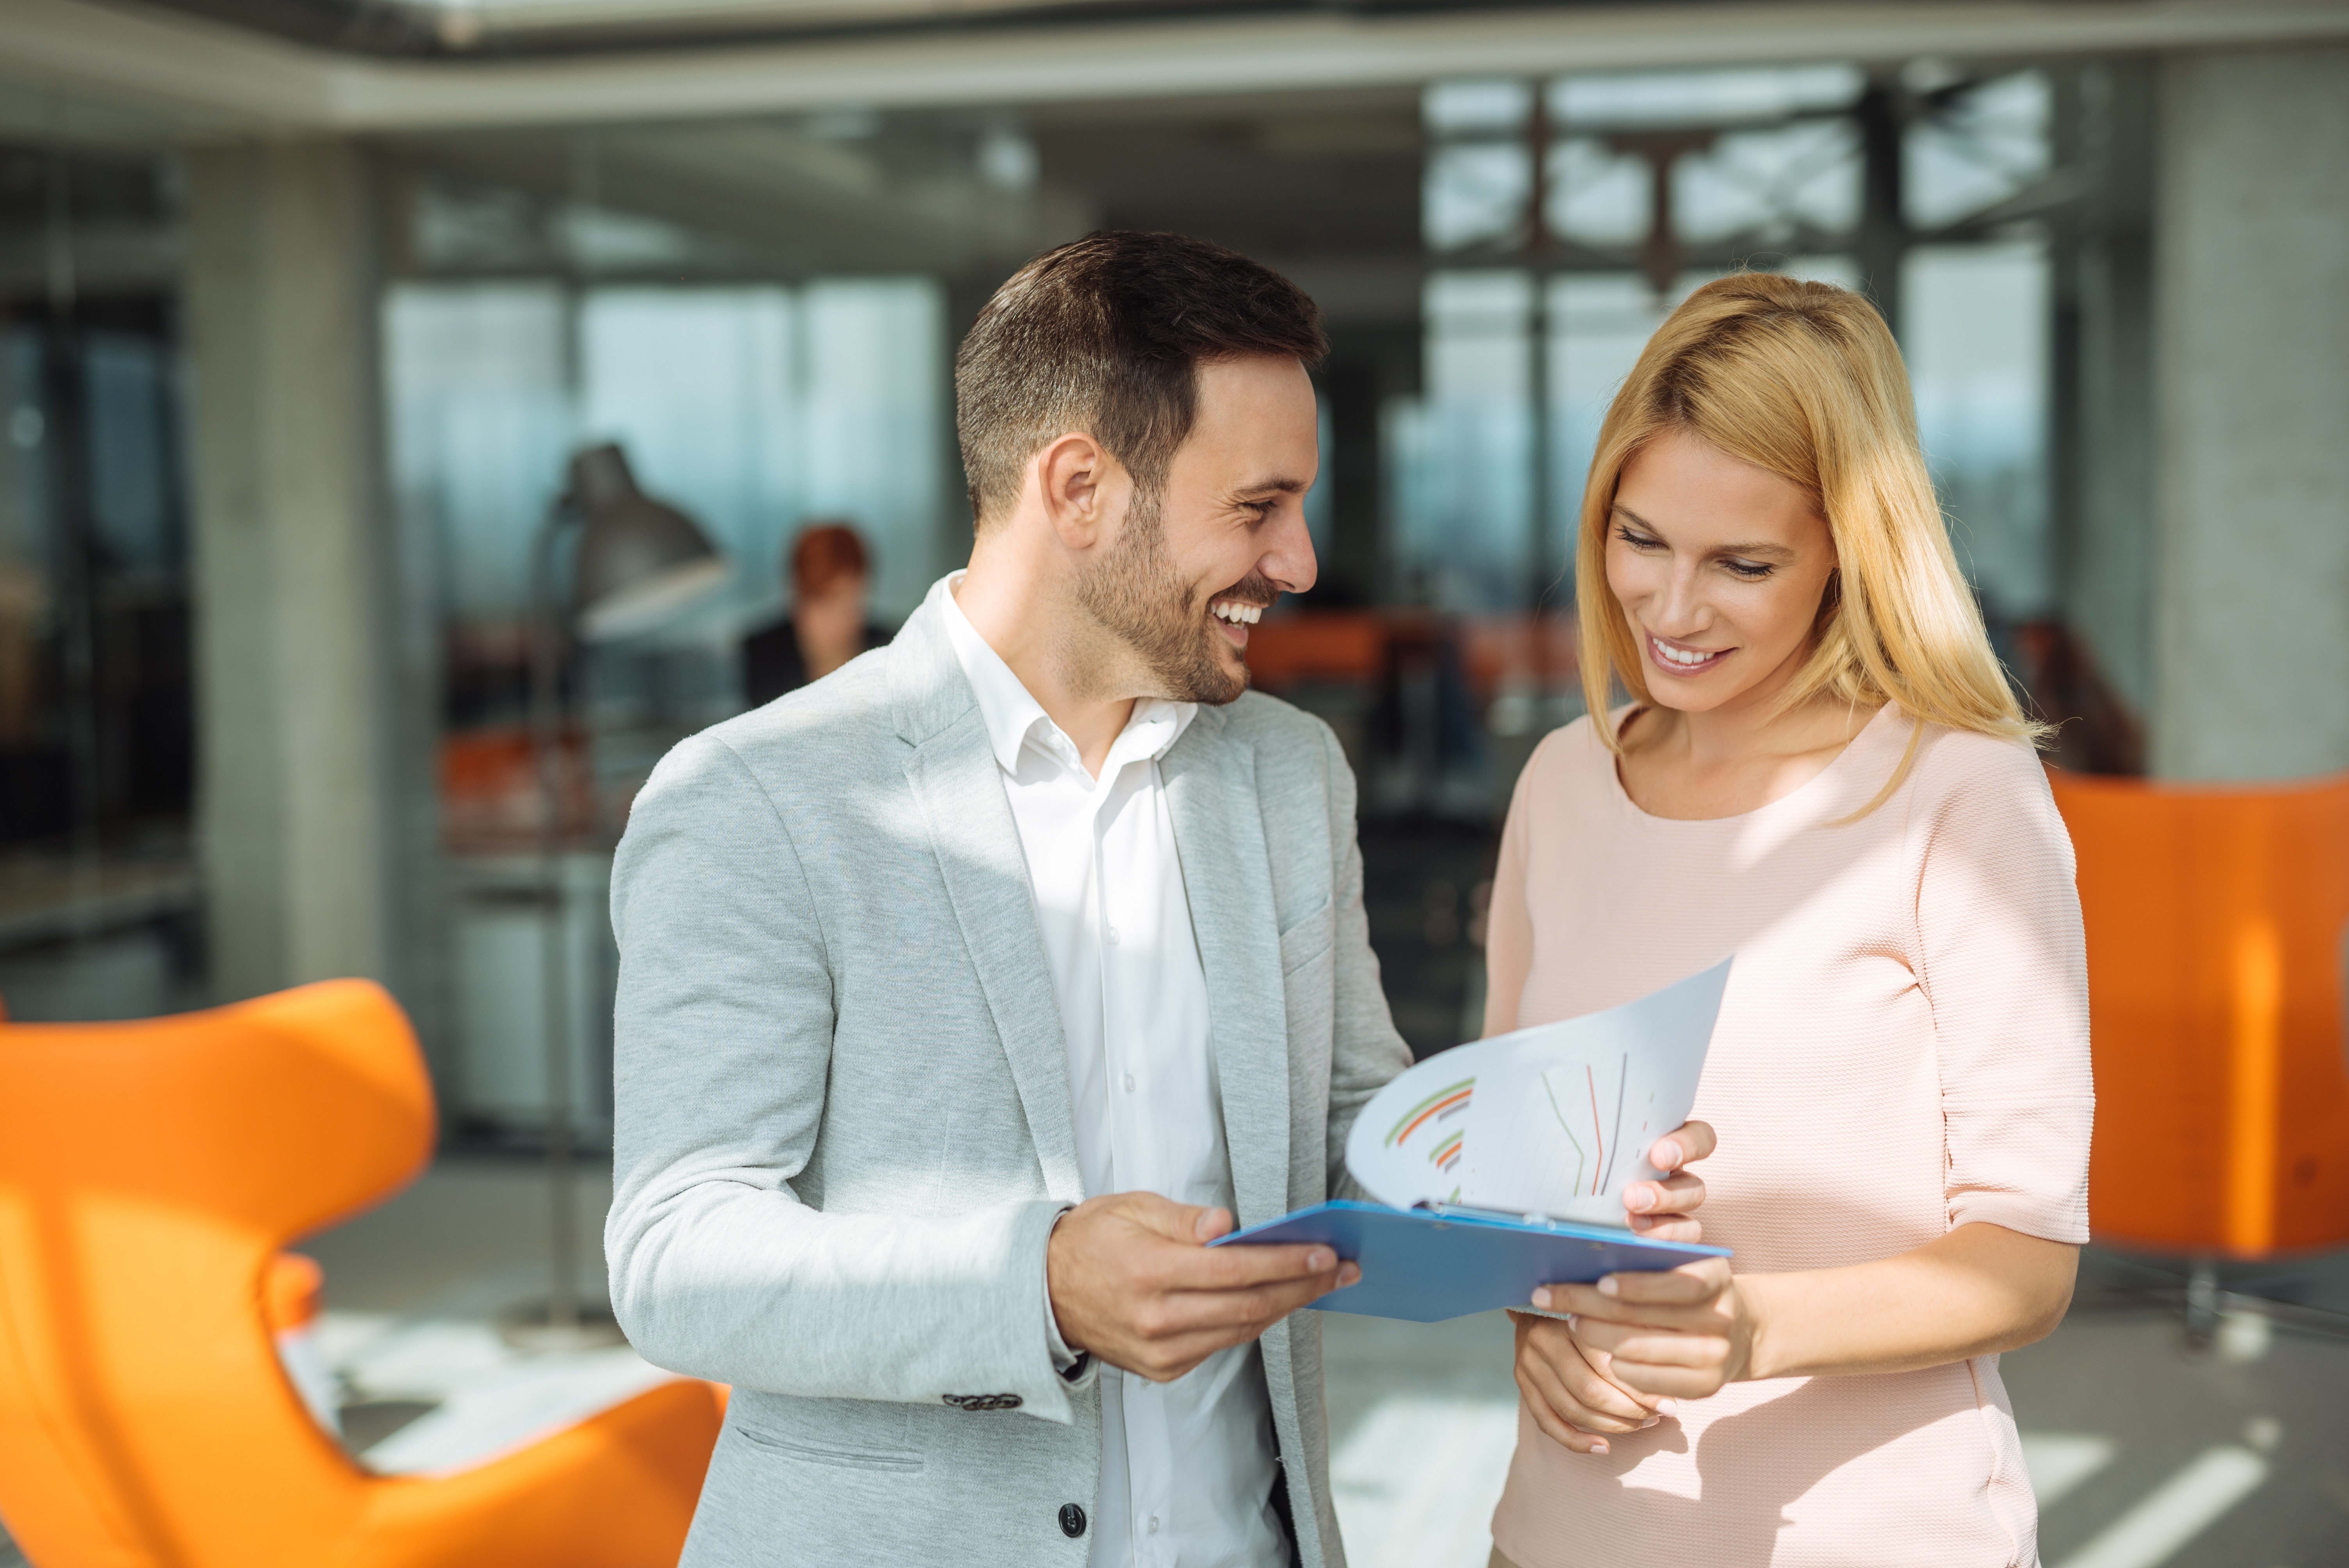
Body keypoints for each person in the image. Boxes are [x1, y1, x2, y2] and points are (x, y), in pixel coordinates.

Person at [604, 230, 1715, 1568]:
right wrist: (1042, 1284)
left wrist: (1556, 1173)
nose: (1298, 560)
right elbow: (679, 1253)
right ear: (1079, 485)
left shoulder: (1288, 773)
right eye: (1256, 507)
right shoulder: (756, 799)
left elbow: (1354, 1115)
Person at [1481, 273, 2094, 1568]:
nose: (1671, 606)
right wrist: (1532, 1325)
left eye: (1740, 564)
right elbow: (1512, 1190)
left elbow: (2026, 1262)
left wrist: (1749, 1328)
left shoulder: (1958, 791)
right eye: (1637, 537)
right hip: (1559, 1530)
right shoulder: (1561, 782)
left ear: (1842, 551)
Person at [740, 521, 890, 706]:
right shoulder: (764, 657)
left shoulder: (893, 651)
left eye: (850, 604)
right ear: (799, 604)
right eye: (825, 605)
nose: (839, 621)